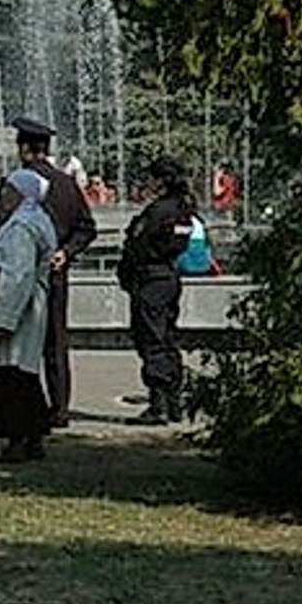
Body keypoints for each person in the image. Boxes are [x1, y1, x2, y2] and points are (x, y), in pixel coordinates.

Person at [0, 117, 96, 428]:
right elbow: (87, 228)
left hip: (18, 275)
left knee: (18, 344)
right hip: (55, 273)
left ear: (24, 149)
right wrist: (66, 252)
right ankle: (60, 407)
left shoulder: (14, 184)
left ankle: (23, 411)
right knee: (55, 341)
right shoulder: (66, 184)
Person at [0, 169, 58, 462]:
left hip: (17, 312)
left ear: (23, 194)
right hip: (27, 308)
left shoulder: (22, 227)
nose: (3, 197)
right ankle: (31, 439)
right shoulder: (31, 221)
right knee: (23, 375)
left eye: (8, 191)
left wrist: (5, 319)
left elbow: (18, 274)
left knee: (13, 377)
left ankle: (18, 441)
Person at [116, 157, 195, 425]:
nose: (148, 182)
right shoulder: (183, 210)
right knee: (167, 336)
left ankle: (158, 404)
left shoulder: (157, 211)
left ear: (161, 180)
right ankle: (174, 402)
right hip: (169, 277)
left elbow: (138, 244)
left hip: (150, 279)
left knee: (151, 338)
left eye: (151, 177)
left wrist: (126, 274)